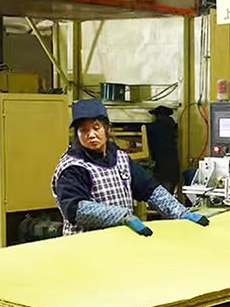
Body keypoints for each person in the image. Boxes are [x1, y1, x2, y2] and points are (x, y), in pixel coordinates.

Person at [52, 98, 209, 237]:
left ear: (106, 128)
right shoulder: (72, 167)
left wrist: (179, 212)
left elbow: (149, 189)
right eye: (83, 130)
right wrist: (122, 216)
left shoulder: (119, 158)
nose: (91, 135)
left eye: (96, 127)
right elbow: (75, 209)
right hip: (85, 244)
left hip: (118, 241)